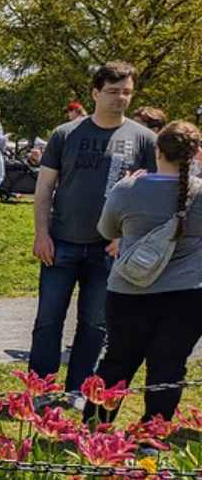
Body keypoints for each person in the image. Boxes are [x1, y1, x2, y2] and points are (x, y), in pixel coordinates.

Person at [30, 62, 157, 407]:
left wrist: (127, 238)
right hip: (62, 243)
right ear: (95, 92)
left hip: (109, 248)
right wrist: (41, 234)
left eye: (127, 92)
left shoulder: (144, 140)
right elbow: (44, 190)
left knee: (95, 324)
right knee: (48, 320)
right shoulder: (65, 134)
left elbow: (154, 197)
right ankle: (40, 390)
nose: (120, 99)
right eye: (113, 92)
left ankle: (77, 391)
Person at [84, 121, 202, 425]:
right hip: (187, 292)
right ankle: (153, 432)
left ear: (157, 150)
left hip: (129, 291)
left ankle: (95, 425)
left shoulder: (129, 188)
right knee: (169, 365)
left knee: (117, 360)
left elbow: (105, 230)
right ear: (196, 153)